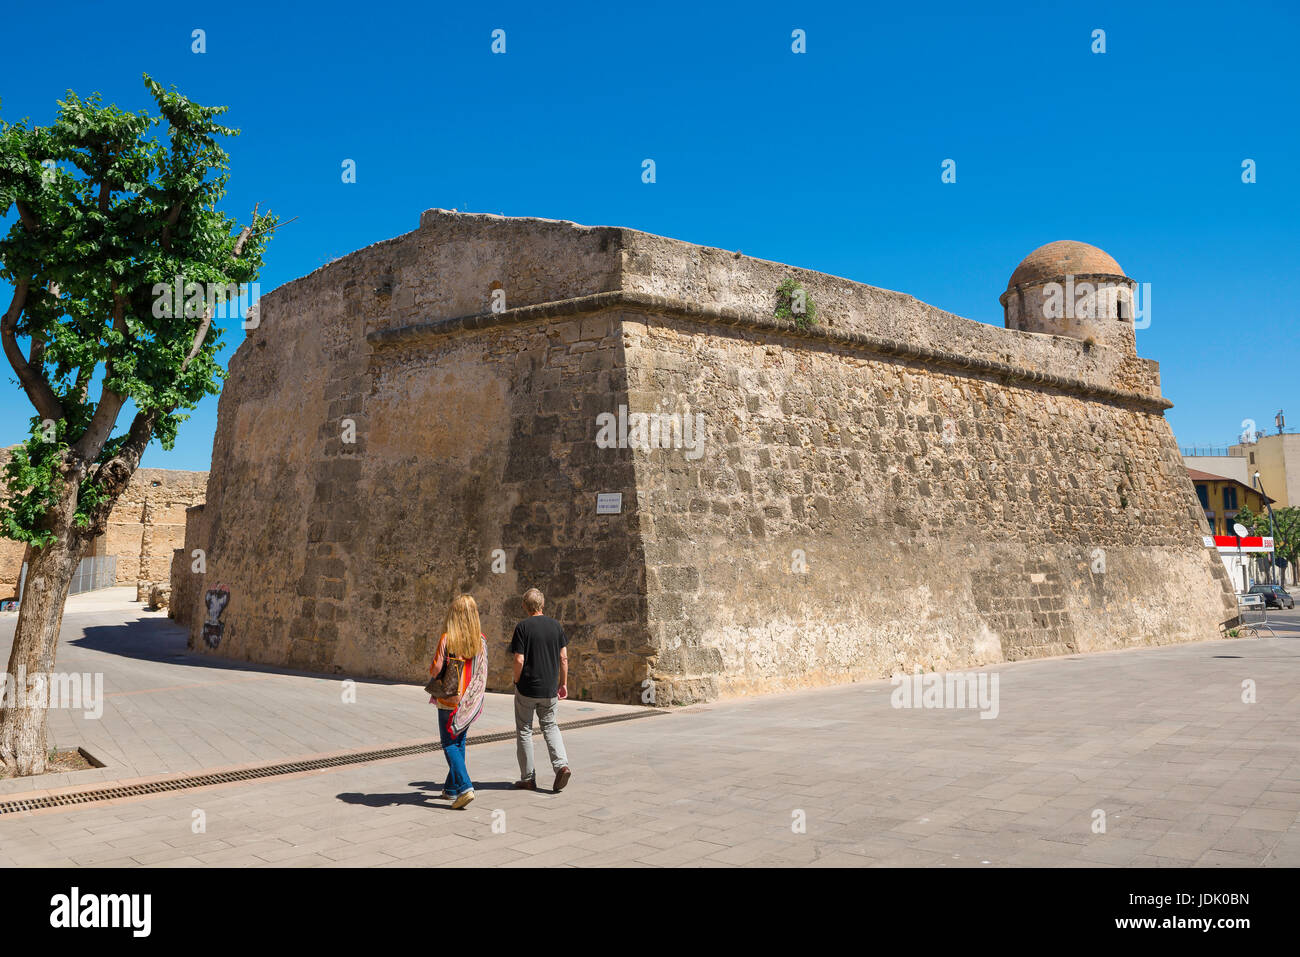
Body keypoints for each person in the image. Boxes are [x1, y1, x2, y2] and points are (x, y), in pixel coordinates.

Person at [429, 594, 488, 809]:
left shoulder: (447, 638)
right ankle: (451, 788)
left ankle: (465, 787)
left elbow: (435, 670)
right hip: (470, 700)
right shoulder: (480, 640)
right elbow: (482, 671)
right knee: (460, 742)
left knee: (449, 744)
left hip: (449, 699)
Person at [510, 588, 572, 793]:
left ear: (524, 606)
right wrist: (563, 684)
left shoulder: (522, 627)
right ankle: (561, 765)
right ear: (543, 604)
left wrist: (516, 680)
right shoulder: (556, 626)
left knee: (525, 730)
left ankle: (528, 778)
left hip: (527, 688)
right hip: (549, 689)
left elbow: (519, 658)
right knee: (550, 726)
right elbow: (563, 658)